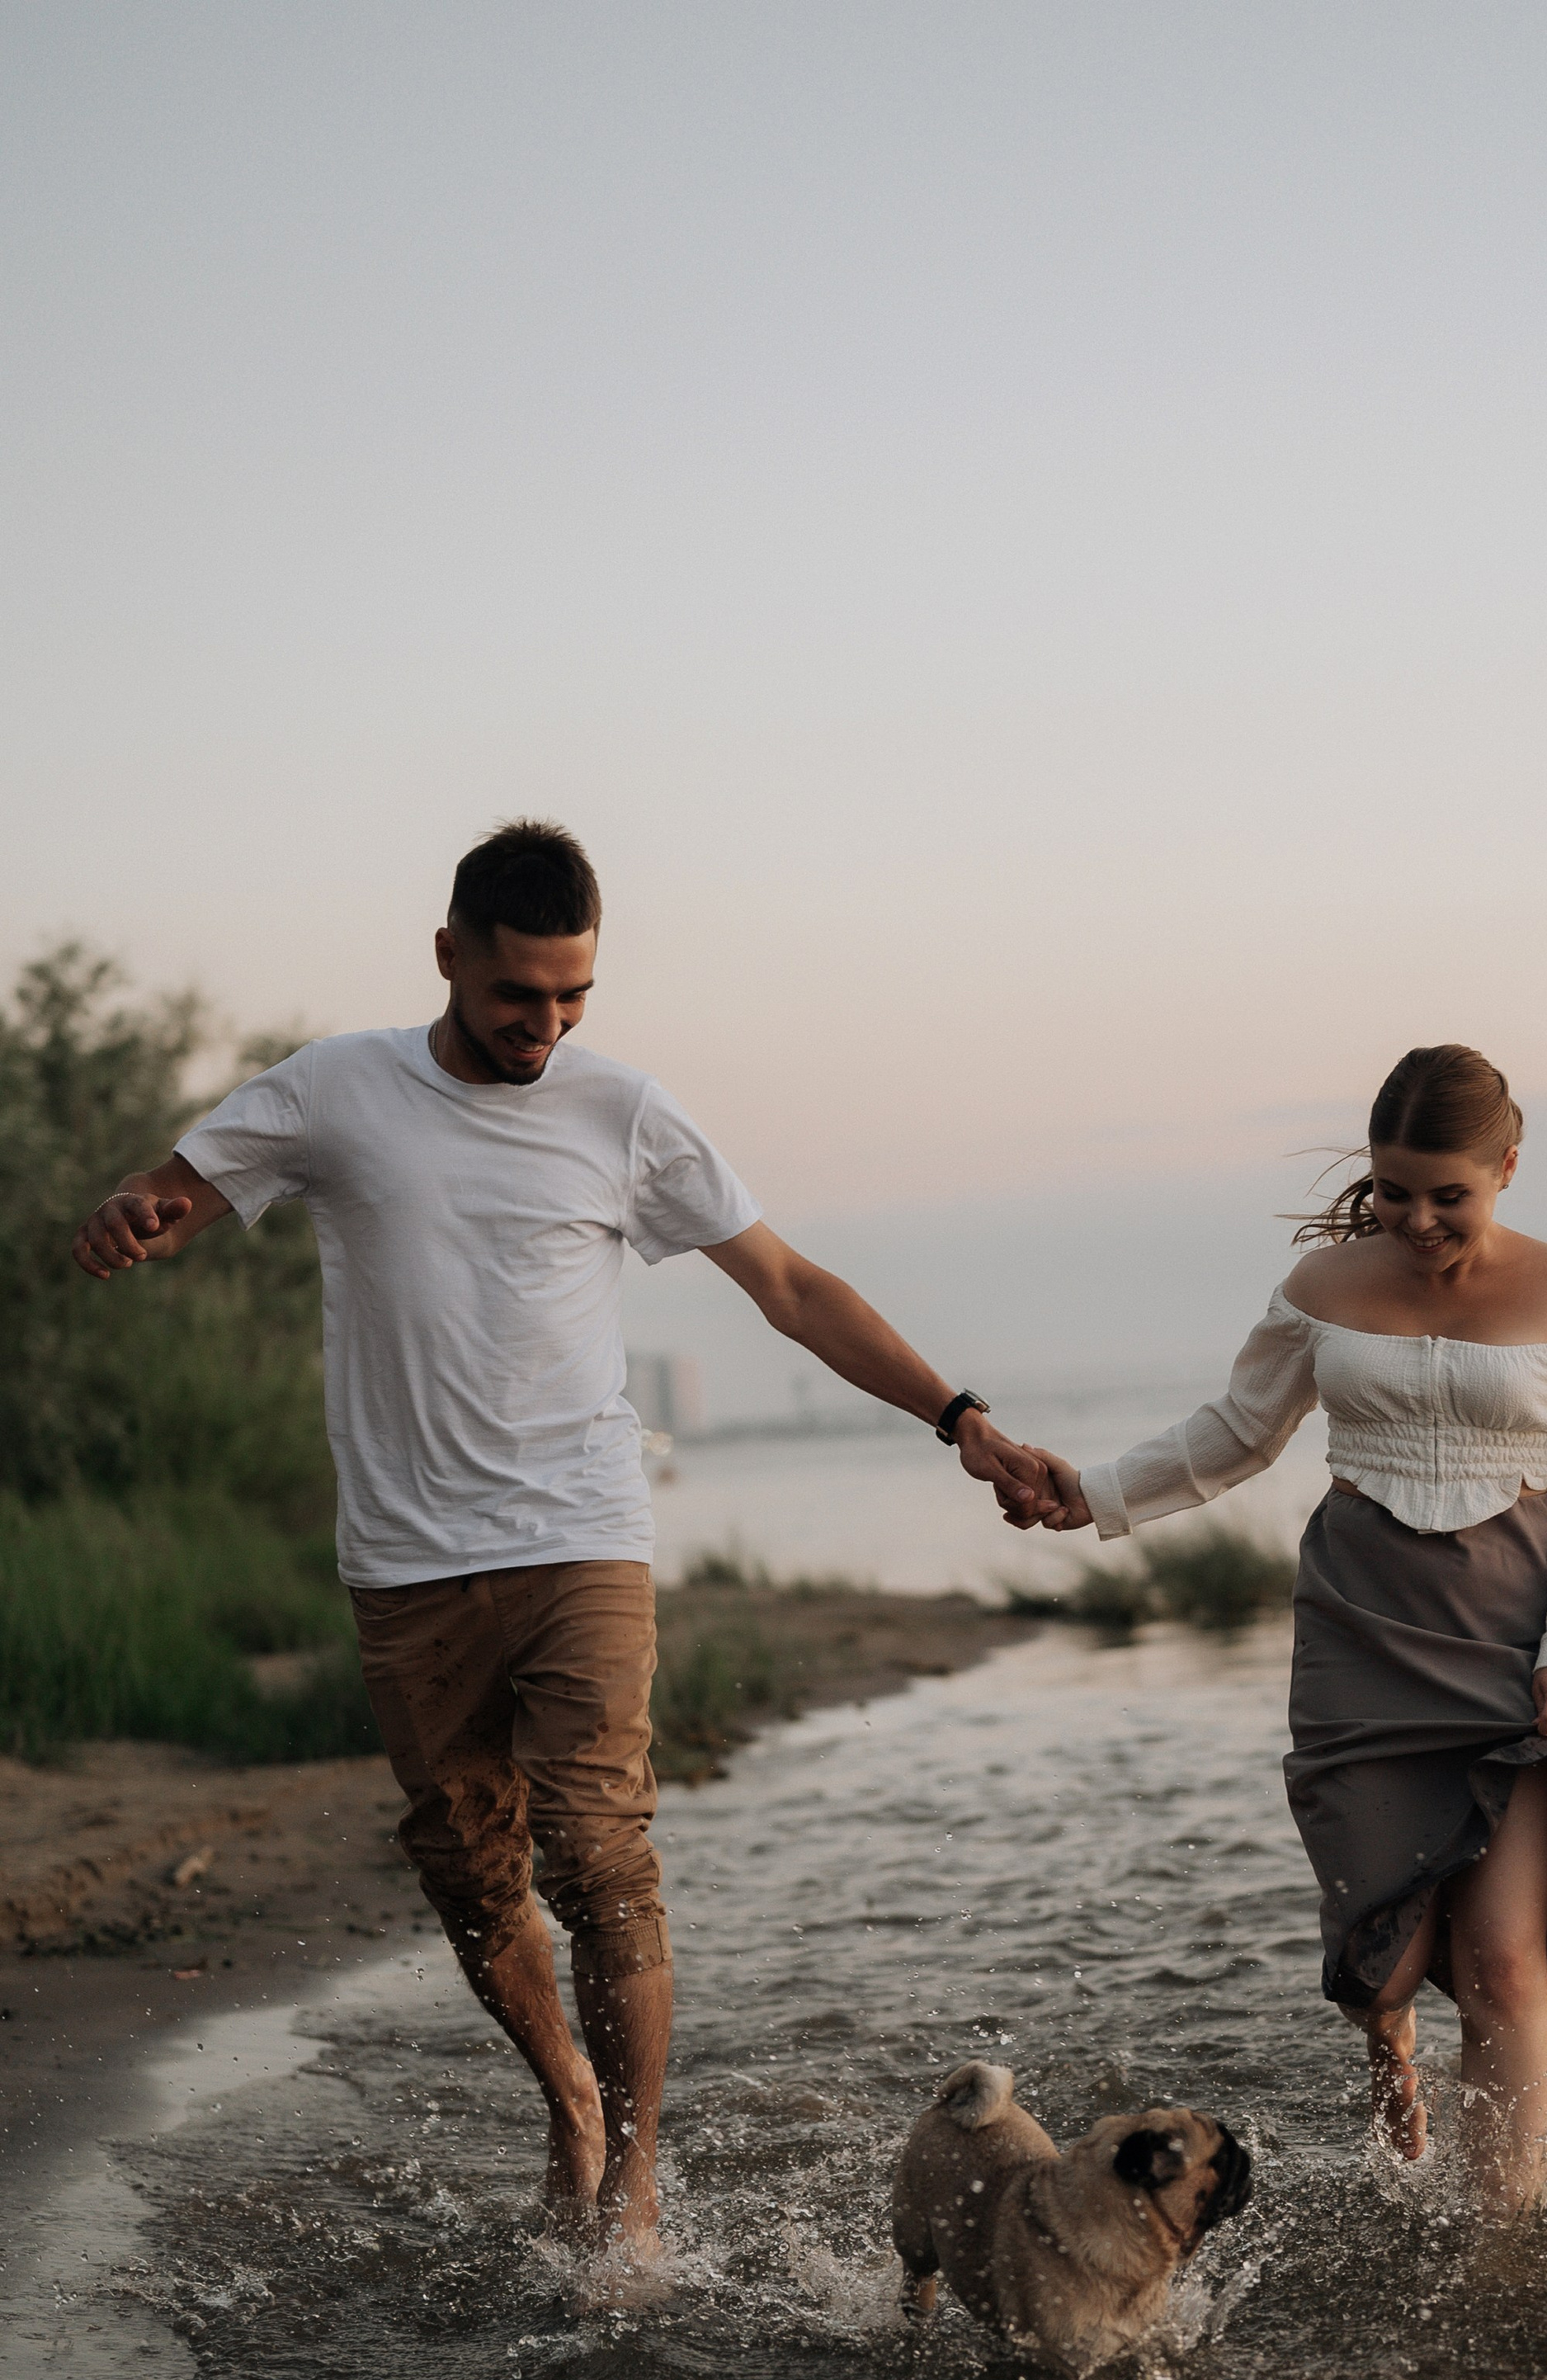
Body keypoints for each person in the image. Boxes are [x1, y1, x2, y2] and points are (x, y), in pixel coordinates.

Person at [71, 820, 1050, 2254]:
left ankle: (637, 2184)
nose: (547, 1026)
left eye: (574, 996)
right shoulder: (336, 1090)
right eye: (519, 995)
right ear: (451, 956)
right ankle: (572, 2105)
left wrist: (960, 1416)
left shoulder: (624, 1112)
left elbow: (787, 1285)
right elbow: (179, 1190)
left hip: (581, 1535)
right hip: (406, 1562)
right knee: (473, 1881)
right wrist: (135, 1215)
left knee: (602, 1858)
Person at [1016, 1045, 1547, 2213]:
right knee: (1385, 1962)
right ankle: (1389, 2036)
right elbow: (1234, 1435)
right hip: (1361, 1630)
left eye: (1447, 1194)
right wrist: (1092, 1492)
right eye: (1395, 1189)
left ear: (1507, 1168)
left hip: (1515, 1646)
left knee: (1501, 1958)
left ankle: (1499, 2239)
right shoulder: (1323, 1290)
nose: (1416, 1218)